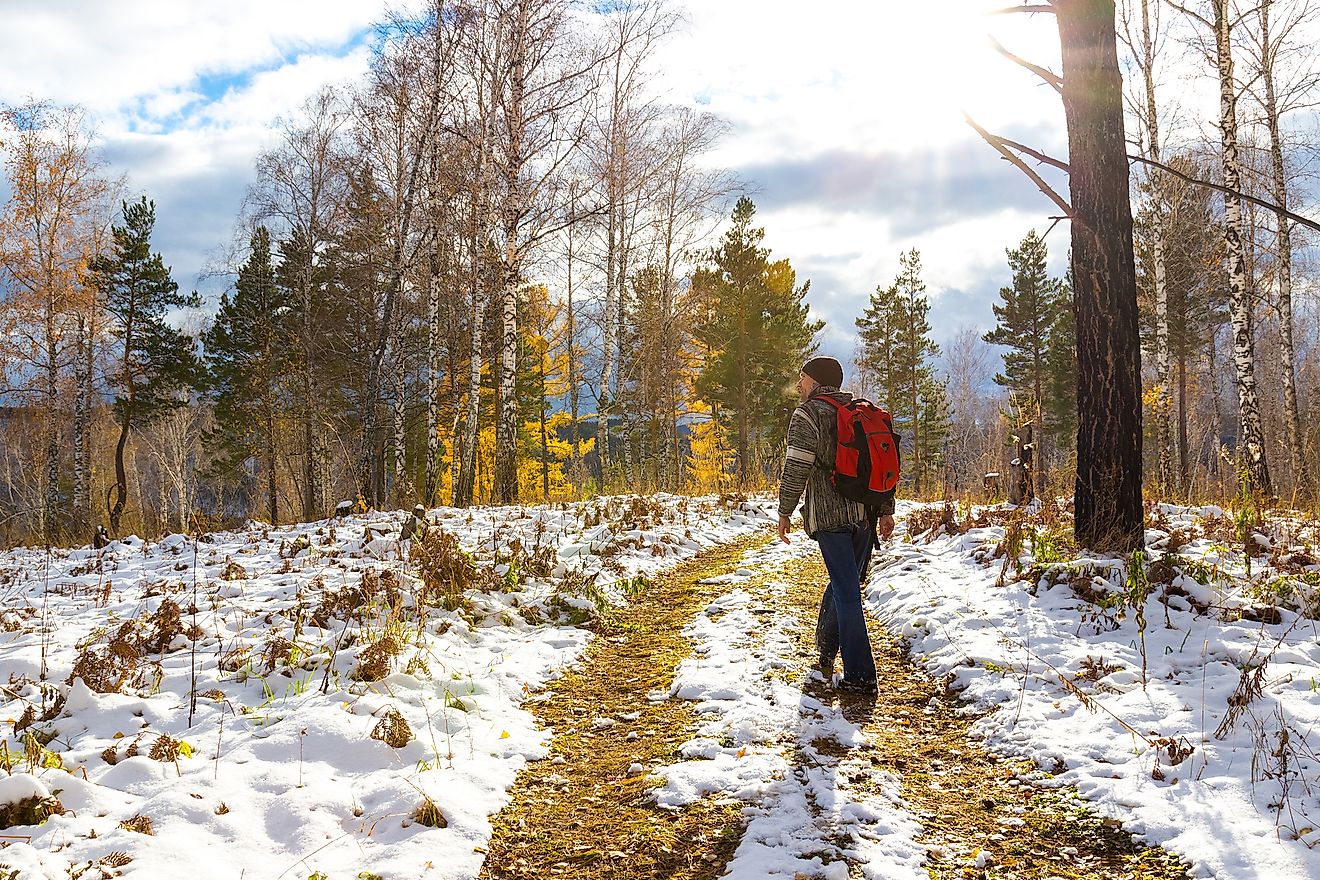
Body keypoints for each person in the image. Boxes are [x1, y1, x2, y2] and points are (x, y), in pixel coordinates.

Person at [777, 356, 896, 693]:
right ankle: (826, 649)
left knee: (847, 591)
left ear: (815, 381)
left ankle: (860, 675)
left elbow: (797, 467)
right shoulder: (863, 412)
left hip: (830, 516)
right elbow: (882, 462)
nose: (799, 384)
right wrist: (886, 509)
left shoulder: (808, 413)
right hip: (866, 514)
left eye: (802, 378)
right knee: (843, 582)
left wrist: (785, 510)